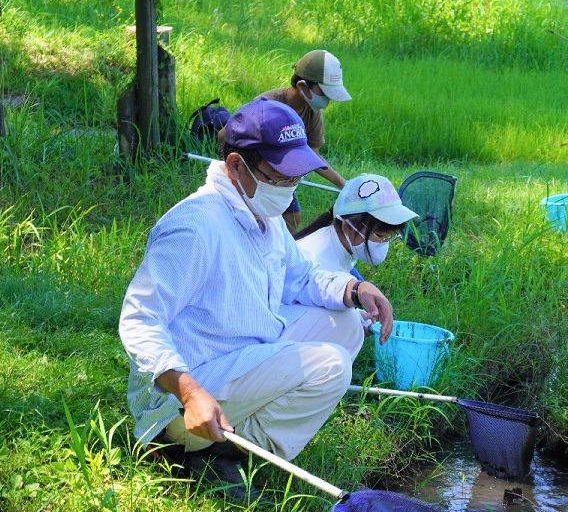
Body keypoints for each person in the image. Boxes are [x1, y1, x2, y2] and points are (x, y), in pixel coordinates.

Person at [118, 97, 395, 472]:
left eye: (296, 178)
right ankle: (199, 449)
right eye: (281, 178)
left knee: (345, 327)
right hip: (190, 389)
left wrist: (355, 290)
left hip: (244, 352)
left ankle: (235, 443)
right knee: (331, 366)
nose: (290, 188)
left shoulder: (265, 214)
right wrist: (190, 391)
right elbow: (140, 318)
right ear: (236, 166)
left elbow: (302, 277)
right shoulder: (195, 226)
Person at [261, 49, 353, 230]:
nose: (327, 99)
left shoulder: (312, 111)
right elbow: (225, 135)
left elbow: (312, 155)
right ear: (303, 86)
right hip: (258, 171)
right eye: (324, 92)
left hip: (284, 176)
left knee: (292, 219)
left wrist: (344, 184)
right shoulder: (267, 105)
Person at [296, 173, 419, 276]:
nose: (385, 243)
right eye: (380, 236)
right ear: (348, 227)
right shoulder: (319, 268)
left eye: (389, 237)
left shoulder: (341, 247)